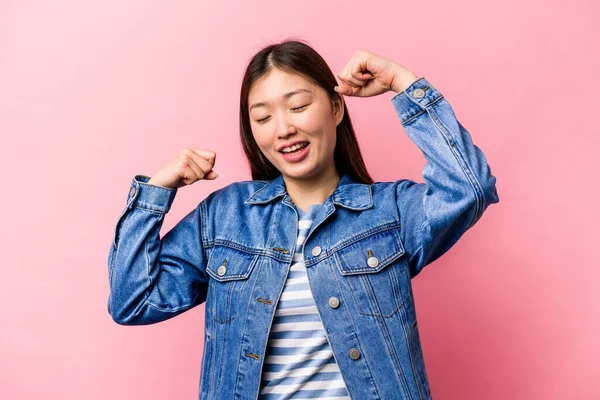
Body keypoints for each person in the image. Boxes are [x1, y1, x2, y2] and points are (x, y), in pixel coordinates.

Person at [107, 39, 499, 400]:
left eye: (297, 106)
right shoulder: (225, 218)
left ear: (336, 106)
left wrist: (403, 83)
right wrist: (155, 192)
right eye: (262, 118)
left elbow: (469, 188)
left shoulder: (389, 213)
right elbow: (132, 302)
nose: (284, 129)